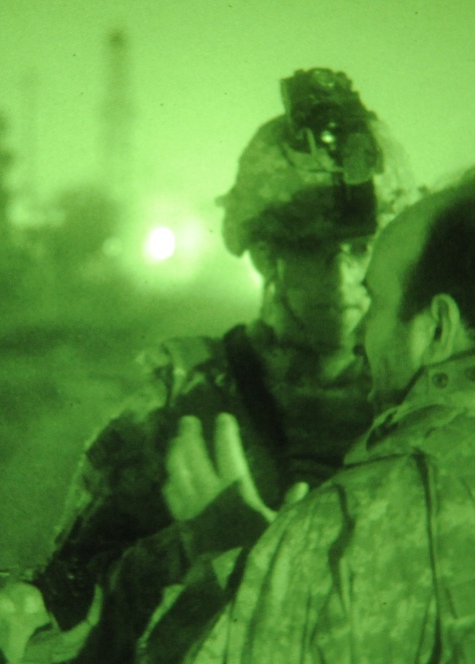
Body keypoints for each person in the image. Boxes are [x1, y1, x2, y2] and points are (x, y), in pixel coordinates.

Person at [29, 68, 417, 662]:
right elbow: (69, 616)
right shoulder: (174, 413)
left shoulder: (427, 407)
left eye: (362, 249)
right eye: (311, 252)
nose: (341, 278)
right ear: (266, 256)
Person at [173, 164, 475, 663]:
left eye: (375, 302)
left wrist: (243, 570)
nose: (357, 335)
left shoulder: (344, 529)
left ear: (439, 328)